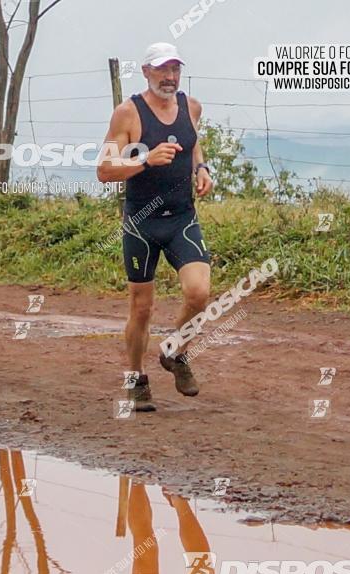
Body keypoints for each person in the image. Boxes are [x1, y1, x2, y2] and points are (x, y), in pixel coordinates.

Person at [97, 42, 213, 412]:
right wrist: (146, 159)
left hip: (182, 218)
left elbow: (193, 144)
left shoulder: (191, 106)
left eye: (175, 69)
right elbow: (104, 171)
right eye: (162, 69)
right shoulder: (127, 113)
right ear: (146, 72)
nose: (170, 76)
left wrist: (201, 169)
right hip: (141, 223)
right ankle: (135, 379)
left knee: (199, 294)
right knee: (142, 308)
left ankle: (175, 351)